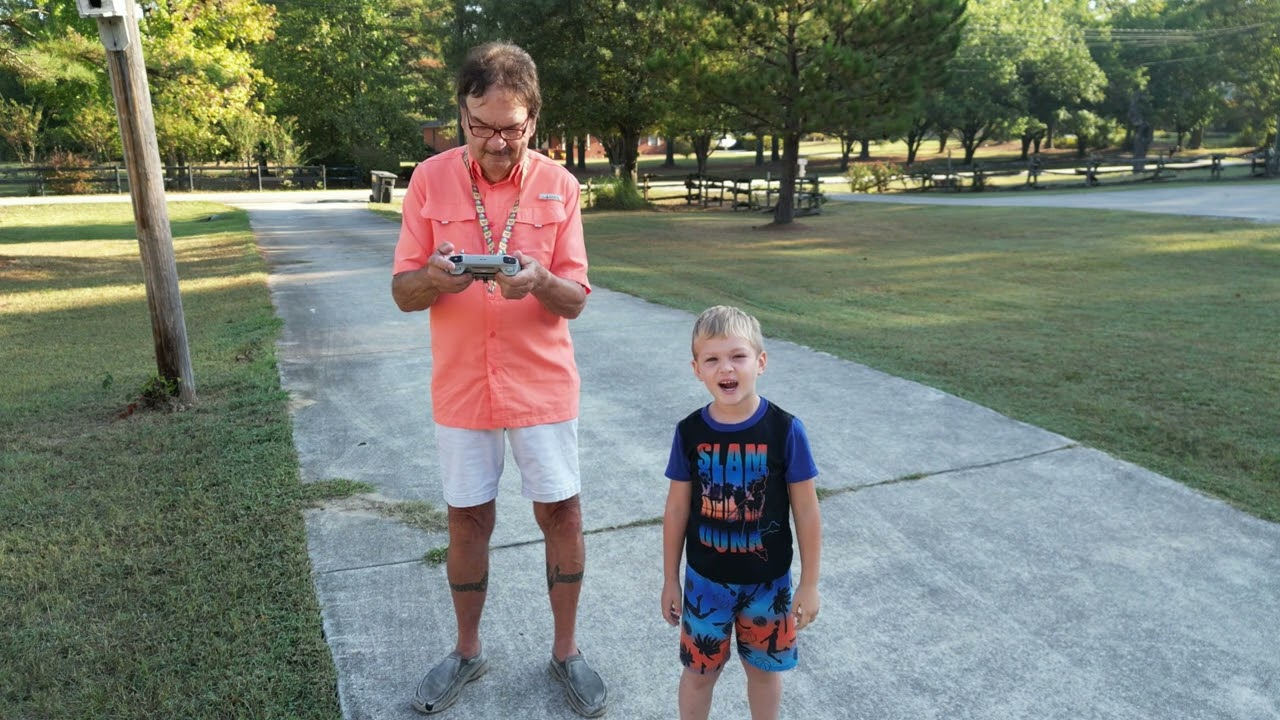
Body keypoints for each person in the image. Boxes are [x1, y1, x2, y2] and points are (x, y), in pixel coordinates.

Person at [391, 41, 607, 718]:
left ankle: (567, 652)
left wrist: (538, 279)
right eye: (479, 126)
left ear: (532, 119)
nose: (493, 143)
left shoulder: (559, 185)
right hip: (462, 386)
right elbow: (402, 292)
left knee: (562, 513)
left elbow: (575, 298)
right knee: (467, 518)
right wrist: (434, 277)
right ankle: (466, 651)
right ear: (462, 114)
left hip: (542, 385)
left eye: (509, 129)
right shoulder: (429, 181)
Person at [660, 305, 823, 720]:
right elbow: (676, 509)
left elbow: (806, 511)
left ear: (760, 362)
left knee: (764, 673)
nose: (726, 368)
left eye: (738, 356)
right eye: (712, 359)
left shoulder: (785, 430)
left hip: (769, 585)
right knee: (698, 674)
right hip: (704, 583)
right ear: (697, 369)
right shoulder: (689, 432)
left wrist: (809, 584)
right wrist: (670, 579)